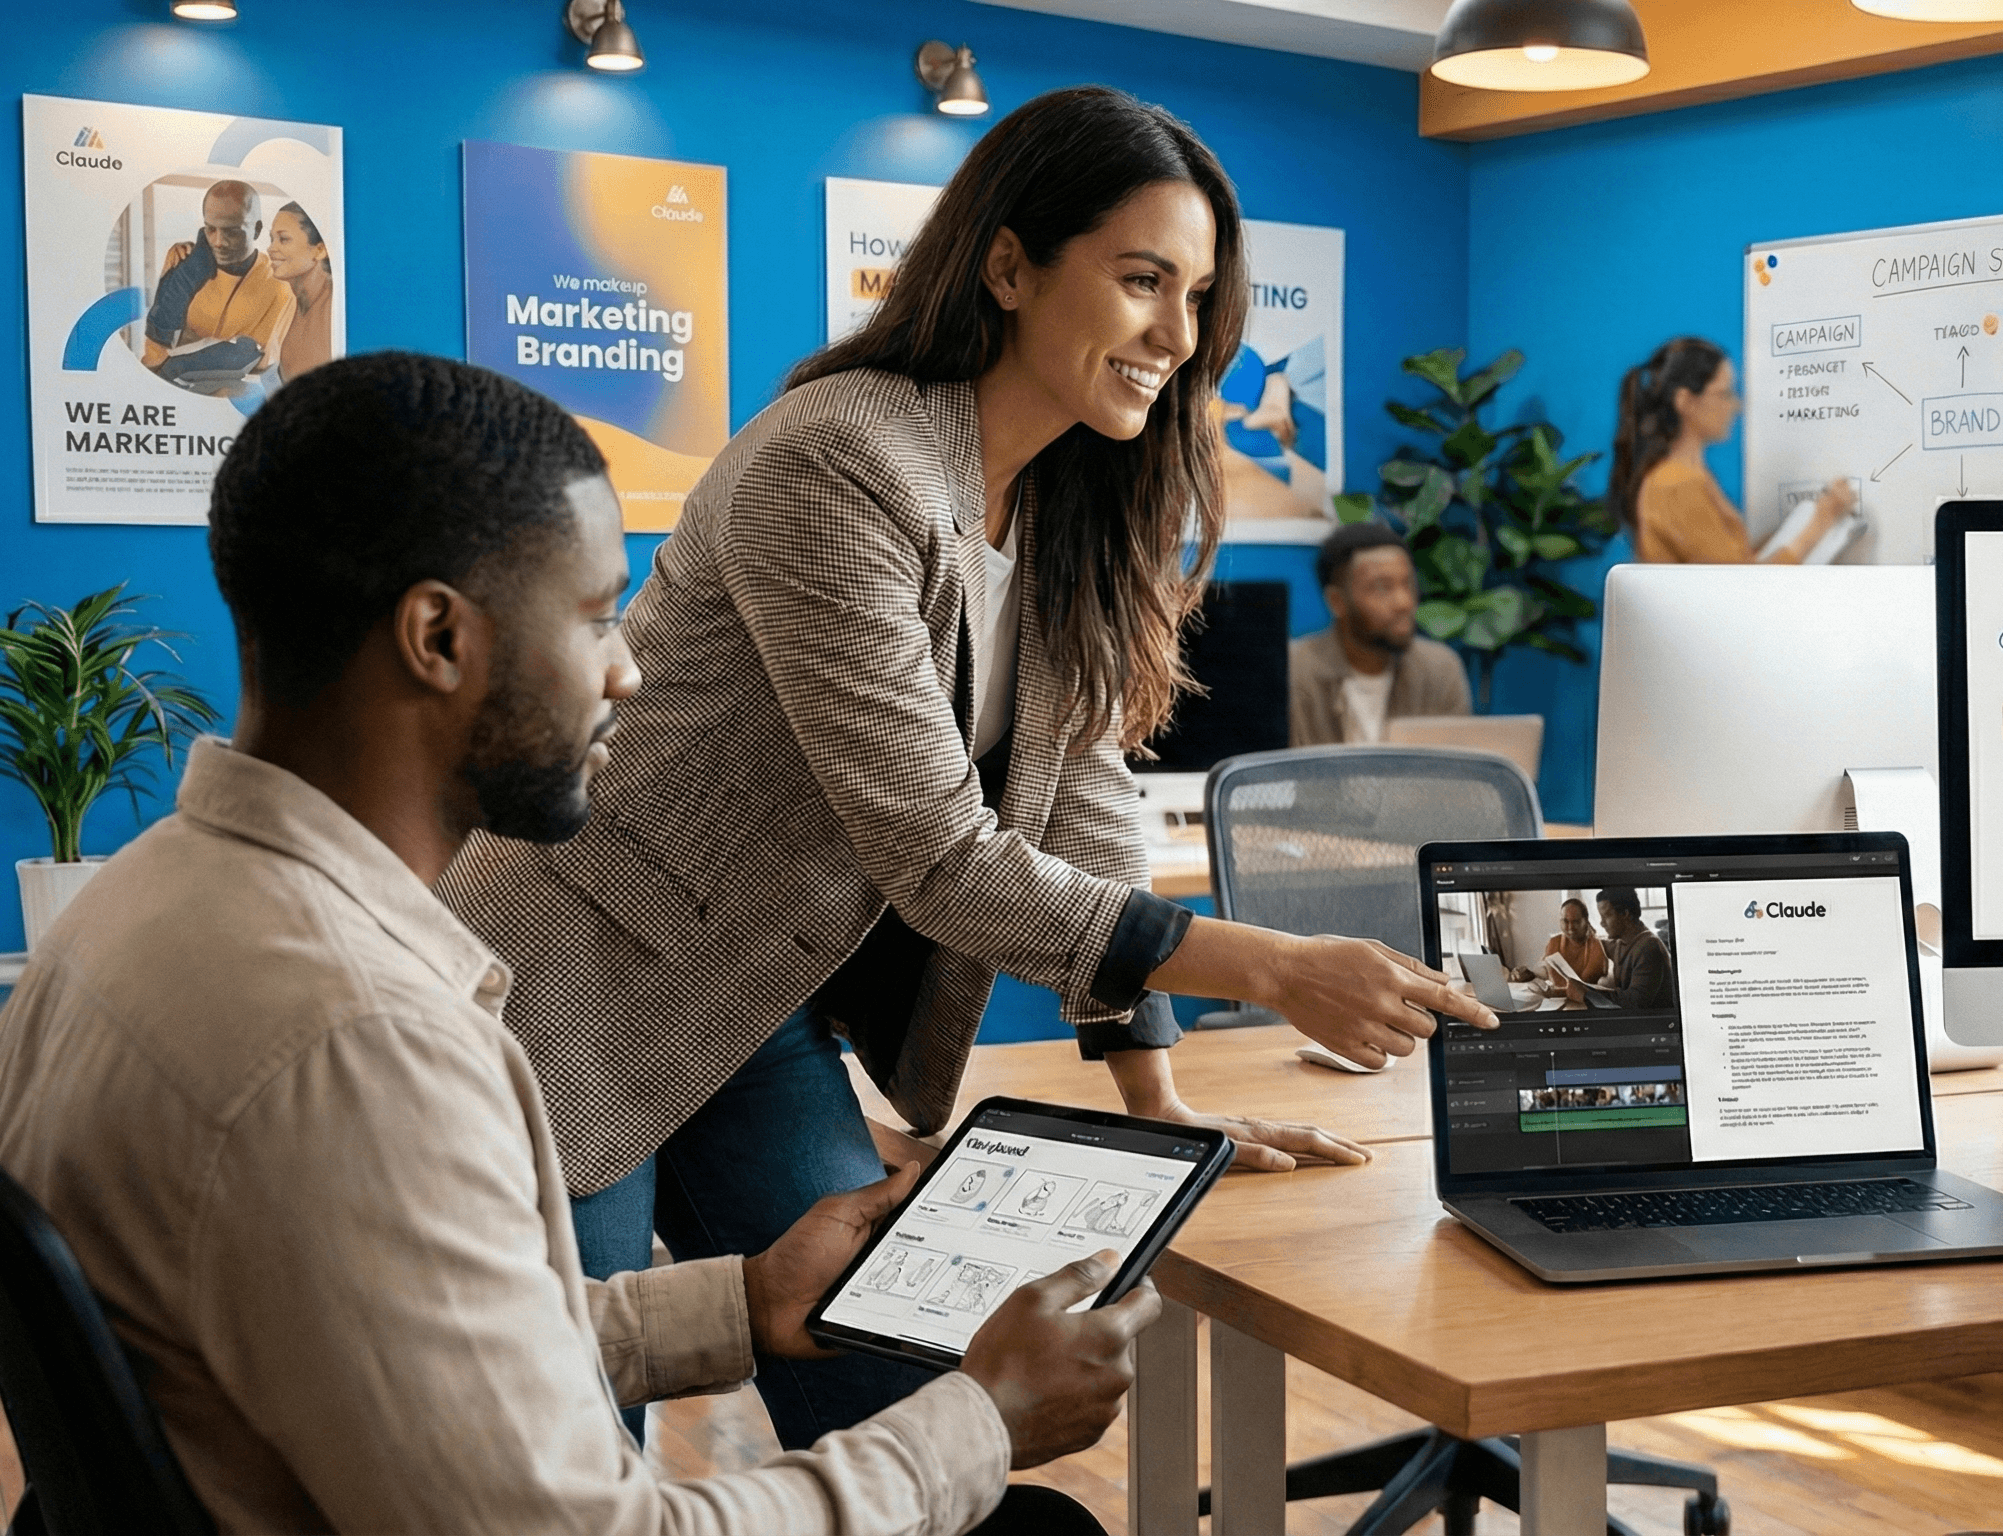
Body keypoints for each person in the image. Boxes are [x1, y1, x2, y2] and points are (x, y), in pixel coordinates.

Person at [436, 85, 1497, 1449]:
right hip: (570, 993)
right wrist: (1277, 968)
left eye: (1198, 297)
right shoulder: (840, 461)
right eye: (1140, 281)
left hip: (755, 1008)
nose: (1178, 336)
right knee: (557, 1441)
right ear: (1008, 267)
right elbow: (942, 859)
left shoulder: (1068, 504)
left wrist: (1156, 1094)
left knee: (901, 1380)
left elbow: (1091, 803)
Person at [0, 351, 1143, 1534]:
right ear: (438, 638)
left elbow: (392, 1328)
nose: (627, 670)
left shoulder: (127, 916)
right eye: (597, 616)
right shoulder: (360, 1047)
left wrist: (741, 1305)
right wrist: (981, 1418)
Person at [1608, 336, 1856, 564]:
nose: (1735, 405)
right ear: (1685, 402)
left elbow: (1733, 562)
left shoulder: (1690, 476)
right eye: (1723, 393)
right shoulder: (1675, 484)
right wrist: (1822, 521)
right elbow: (1739, 586)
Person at [1288, 520, 1470, 745]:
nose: (1403, 602)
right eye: (1382, 587)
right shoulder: (1293, 673)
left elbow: (1456, 774)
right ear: (1337, 602)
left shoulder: (1439, 671)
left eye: (1408, 584)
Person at [141, 178, 290, 387]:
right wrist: (187, 274)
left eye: (232, 231)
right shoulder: (184, 261)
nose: (218, 242)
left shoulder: (280, 284)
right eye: (210, 229)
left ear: (256, 230)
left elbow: (258, 360)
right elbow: (154, 353)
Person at [1572, 885, 1676, 1012]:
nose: (1601, 923)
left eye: (1606, 916)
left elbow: (1634, 1002)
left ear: (1625, 914)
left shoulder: (1649, 948)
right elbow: (1600, 944)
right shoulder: (1623, 942)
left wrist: (1586, 994)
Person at [264, 200, 335, 383]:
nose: (271, 248)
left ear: (319, 250)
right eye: (272, 239)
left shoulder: (335, 308)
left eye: (284, 239)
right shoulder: (291, 306)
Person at [1542, 895, 1606, 985]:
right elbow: (1545, 971)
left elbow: (1584, 985)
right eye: (1565, 921)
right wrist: (1527, 974)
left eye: (1576, 921)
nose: (1570, 927)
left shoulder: (1597, 946)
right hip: (1554, 997)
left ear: (1585, 921)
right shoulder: (1554, 942)